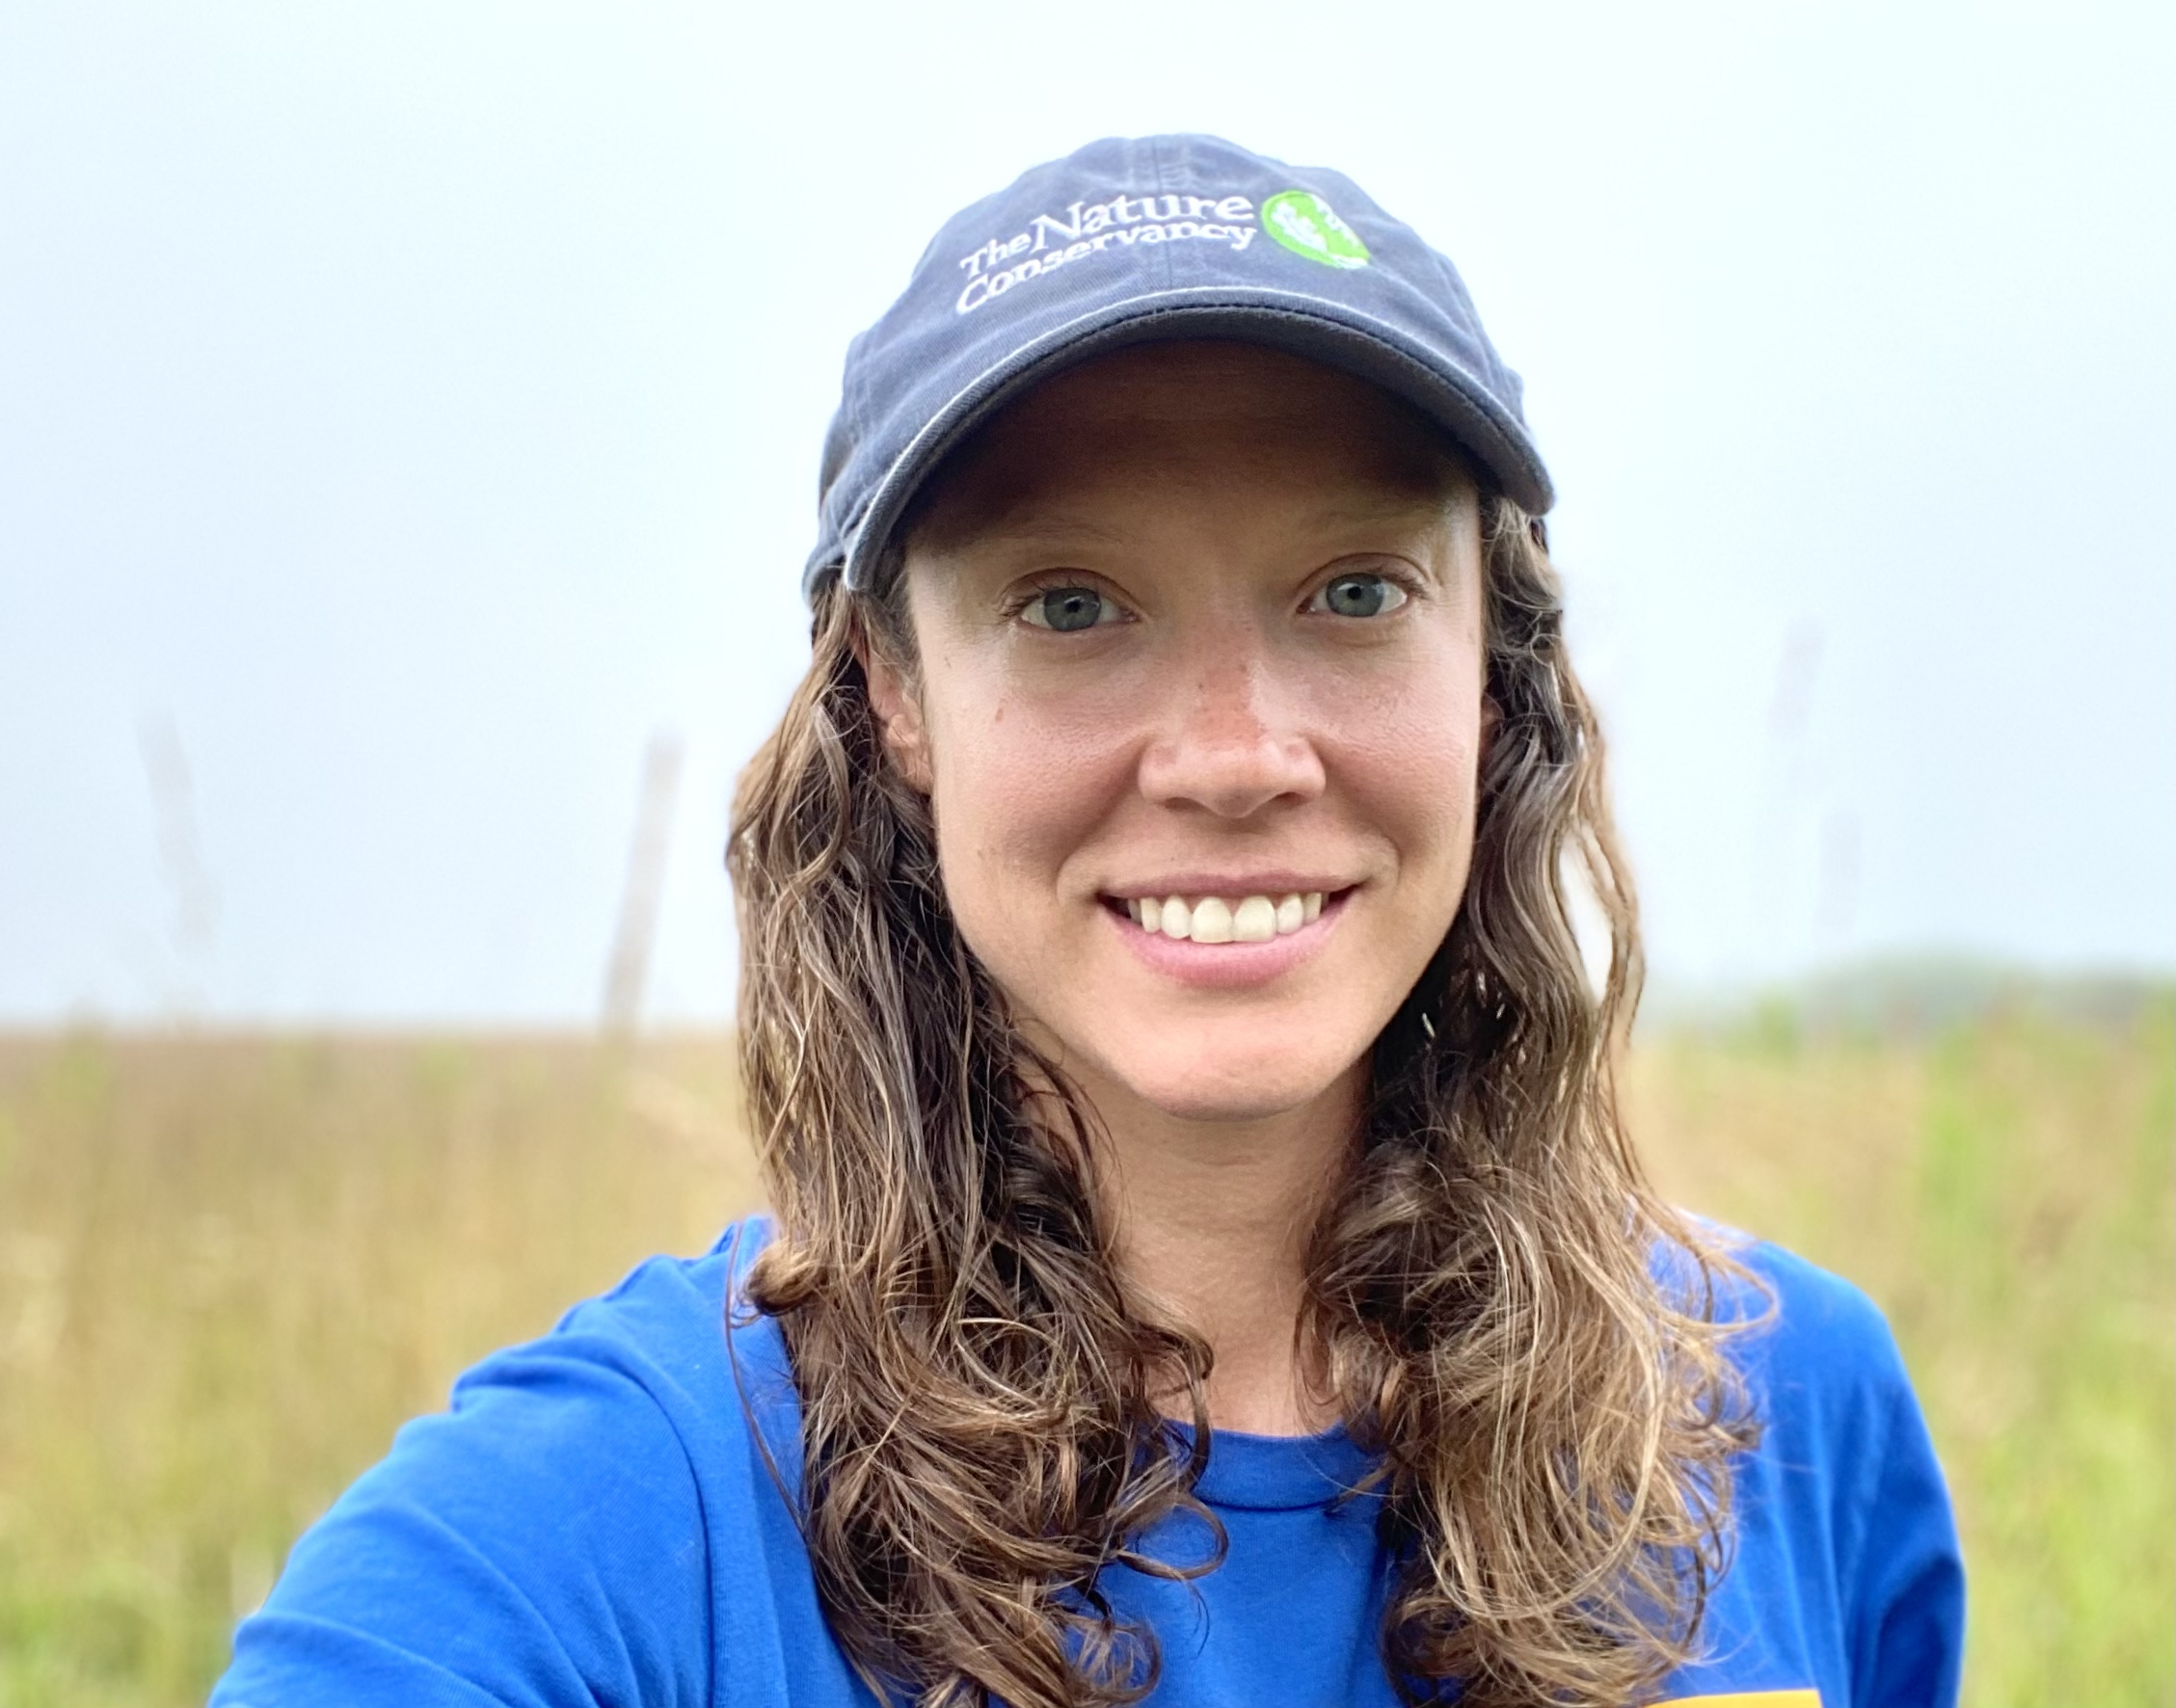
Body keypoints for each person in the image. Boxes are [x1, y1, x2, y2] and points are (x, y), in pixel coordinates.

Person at [210, 134, 1963, 1708]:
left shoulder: (1784, 1415)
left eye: (1355, 589)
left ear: (1489, 665)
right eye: (1068, 604)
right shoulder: (613, 1519)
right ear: (895, 692)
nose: (1232, 755)